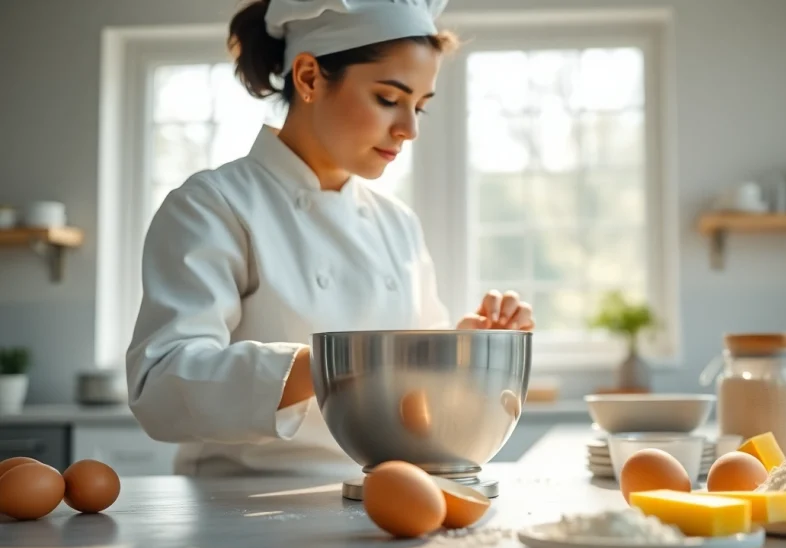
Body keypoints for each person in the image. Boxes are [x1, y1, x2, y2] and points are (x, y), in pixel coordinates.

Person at [125, 0, 534, 477]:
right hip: (242, 508)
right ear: (309, 78)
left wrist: (461, 352)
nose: (410, 129)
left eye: (419, 106)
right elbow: (160, 386)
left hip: (382, 500)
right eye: (388, 98)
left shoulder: (397, 223)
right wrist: (337, 365)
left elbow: (420, 403)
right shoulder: (213, 205)